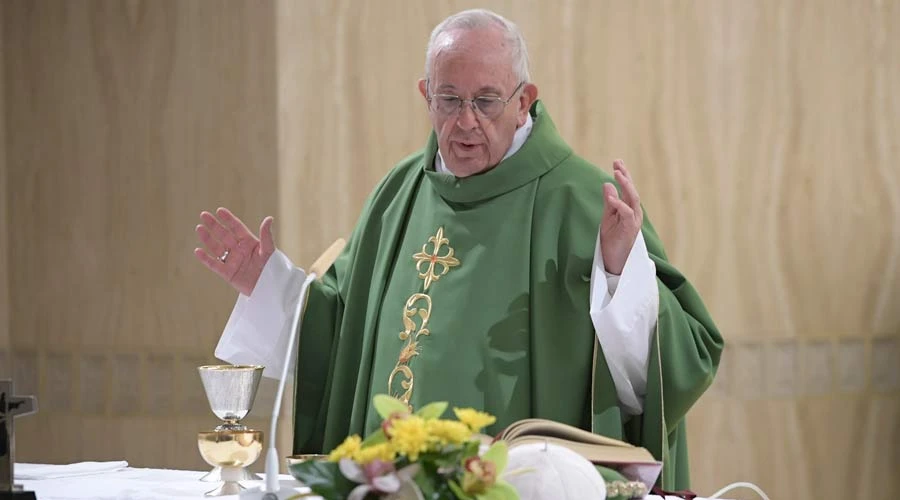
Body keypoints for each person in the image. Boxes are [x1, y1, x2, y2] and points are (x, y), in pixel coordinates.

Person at [194, 9, 722, 490]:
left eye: (486, 100)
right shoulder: (398, 194)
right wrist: (269, 285)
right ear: (426, 95)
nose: (466, 120)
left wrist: (618, 273)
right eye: (449, 99)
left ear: (524, 101)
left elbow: (679, 365)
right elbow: (341, 335)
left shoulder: (586, 201)